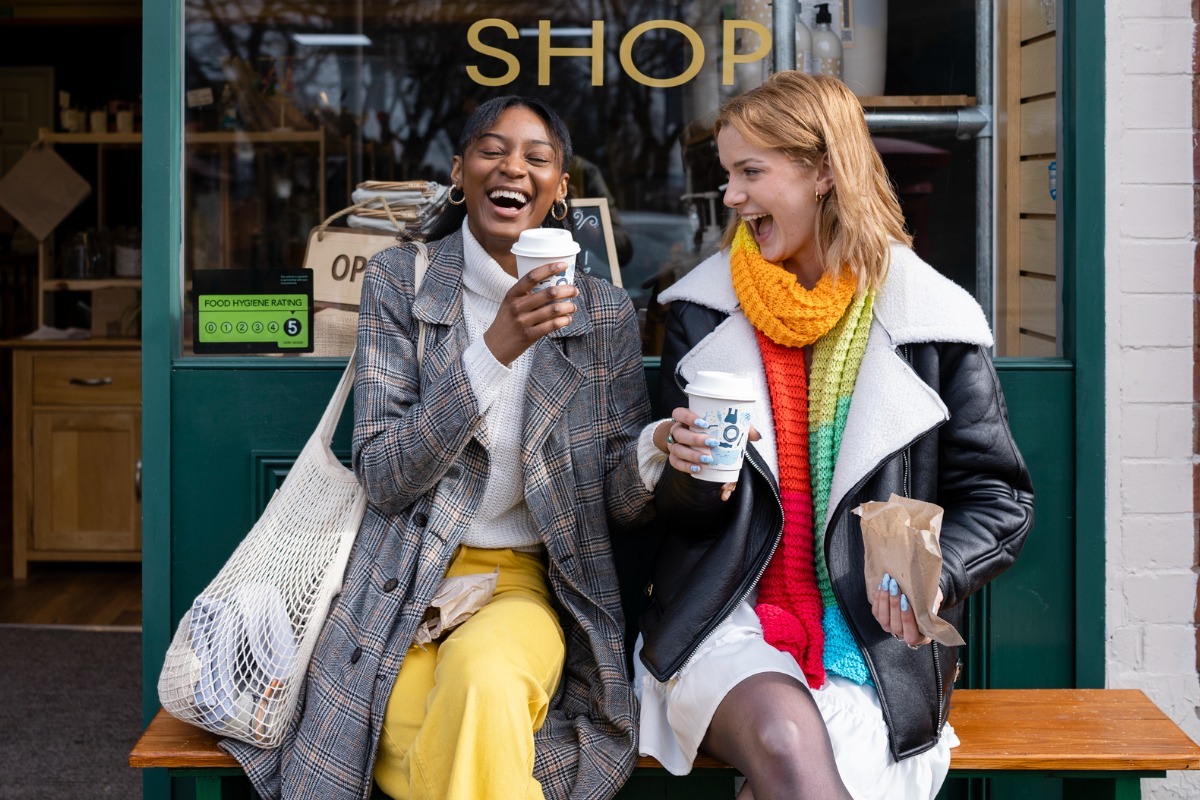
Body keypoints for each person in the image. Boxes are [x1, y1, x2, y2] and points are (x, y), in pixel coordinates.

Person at [225, 95, 657, 800]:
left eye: (537, 156)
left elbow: (617, 496)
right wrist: (495, 349)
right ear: (460, 172)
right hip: (402, 577)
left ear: (560, 190)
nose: (511, 166)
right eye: (491, 149)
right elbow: (385, 474)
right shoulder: (402, 280)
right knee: (429, 725)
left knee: (483, 684)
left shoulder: (602, 312)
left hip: (524, 581)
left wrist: (655, 452)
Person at [632, 72, 1035, 799]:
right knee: (786, 738)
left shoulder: (930, 321)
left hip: (878, 642)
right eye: (728, 174)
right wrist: (686, 471)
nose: (731, 197)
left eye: (751, 172)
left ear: (823, 172)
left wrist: (936, 574)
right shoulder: (701, 312)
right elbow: (683, 521)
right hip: (729, 617)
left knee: (792, 778)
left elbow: (999, 500)